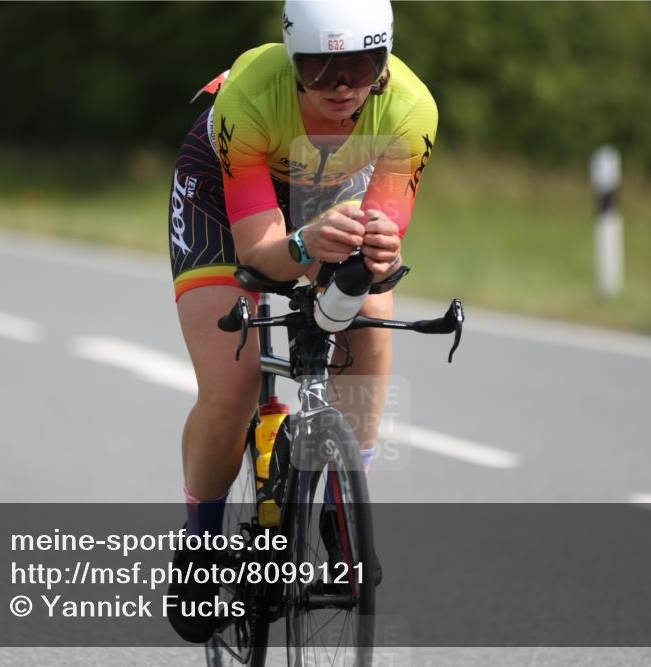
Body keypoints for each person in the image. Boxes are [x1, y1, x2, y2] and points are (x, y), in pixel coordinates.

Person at [166, 0, 437, 642]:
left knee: (368, 308)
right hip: (222, 194)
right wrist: (301, 245)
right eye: (320, 69)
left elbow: (382, 237)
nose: (343, 86)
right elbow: (261, 251)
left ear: (385, 63)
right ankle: (201, 545)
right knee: (231, 387)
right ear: (293, 62)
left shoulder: (410, 109)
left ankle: (343, 505)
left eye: (362, 66)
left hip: (329, 188)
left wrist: (378, 247)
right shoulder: (253, 98)